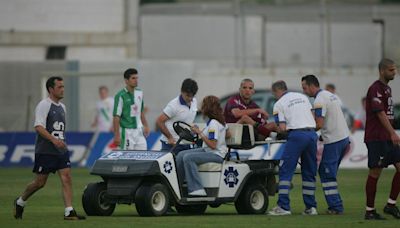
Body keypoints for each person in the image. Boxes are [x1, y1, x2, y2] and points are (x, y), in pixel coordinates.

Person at [13, 76, 85, 220]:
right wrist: (54, 140)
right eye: (59, 87)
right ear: (51, 89)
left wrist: (61, 142)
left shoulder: (63, 107)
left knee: (66, 177)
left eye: (63, 86)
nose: (62, 89)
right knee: (40, 183)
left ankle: (69, 211)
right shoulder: (44, 105)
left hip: (60, 150)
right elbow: (38, 127)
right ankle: (20, 201)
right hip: (46, 150)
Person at [302, 74, 350, 215]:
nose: (304, 91)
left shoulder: (319, 99)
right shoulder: (329, 94)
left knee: (326, 173)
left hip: (334, 140)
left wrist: (305, 130)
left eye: (305, 88)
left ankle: (336, 207)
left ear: (312, 86)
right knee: (328, 172)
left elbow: (319, 123)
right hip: (344, 138)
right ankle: (335, 204)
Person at [268, 80, 318, 216]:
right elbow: (313, 117)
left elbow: (282, 127)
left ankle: (283, 207)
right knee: (309, 171)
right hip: (312, 134)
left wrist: (274, 130)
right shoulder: (303, 97)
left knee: (285, 170)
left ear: (276, 91)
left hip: (296, 135)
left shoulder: (278, 104)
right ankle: (311, 207)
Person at [363, 58, 400, 220]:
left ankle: (390, 205)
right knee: (375, 172)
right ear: (382, 71)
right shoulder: (375, 89)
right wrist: (392, 132)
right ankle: (369, 210)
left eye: (395, 69)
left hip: (387, 137)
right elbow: (379, 113)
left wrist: (391, 134)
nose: (395, 72)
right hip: (377, 138)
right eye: (391, 70)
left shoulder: (387, 89)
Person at [176, 95, 229, 196]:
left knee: (188, 157)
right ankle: (178, 186)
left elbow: (213, 145)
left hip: (216, 154)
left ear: (207, 108)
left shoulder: (213, 123)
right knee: (180, 155)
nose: (201, 108)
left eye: (203, 105)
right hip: (209, 150)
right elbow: (228, 133)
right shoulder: (216, 122)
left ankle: (197, 189)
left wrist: (199, 132)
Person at [156, 78, 198, 153]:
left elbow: (188, 120)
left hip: (187, 144)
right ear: (182, 91)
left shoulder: (194, 101)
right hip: (171, 145)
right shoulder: (173, 105)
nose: (190, 98)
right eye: (188, 96)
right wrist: (170, 137)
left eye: (192, 96)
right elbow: (159, 121)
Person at [113, 68, 150, 150]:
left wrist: (146, 125)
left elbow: (141, 111)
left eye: (137, 78)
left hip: (139, 131)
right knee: (126, 159)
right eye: (133, 78)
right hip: (126, 132)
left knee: (143, 157)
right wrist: (116, 135)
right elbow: (116, 117)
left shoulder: (140, 92)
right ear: (126, 80)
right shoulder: (120, 95)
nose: (136, 80)